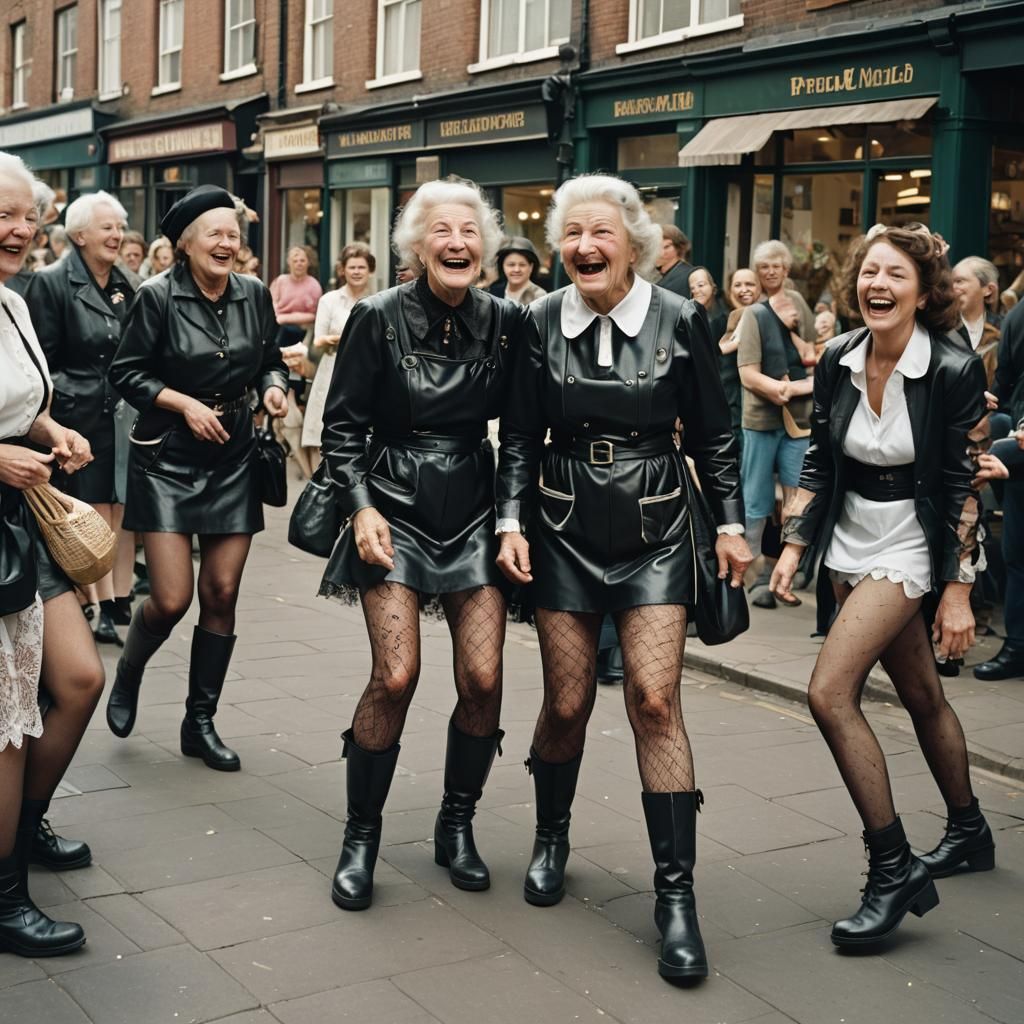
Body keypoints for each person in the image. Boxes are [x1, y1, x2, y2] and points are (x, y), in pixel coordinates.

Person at [496, 174, 750, 981]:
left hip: (657, 525)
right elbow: (521, 438)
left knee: (652, 699)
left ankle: (675, 897)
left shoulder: (681, 318)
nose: (584, 246)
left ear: (634, 243)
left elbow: (715, 432)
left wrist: (735, 525)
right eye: (572, 233)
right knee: (566, 701)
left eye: (600, 232)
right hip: (563, 524)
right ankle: (550, 836)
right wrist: (509, 521)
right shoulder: (540, 319)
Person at [771, 223, 994, 949]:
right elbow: (819, 460)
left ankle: (892, 867)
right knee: (923, 695)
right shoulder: (838, 356)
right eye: (870, 272)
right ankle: (969, 832)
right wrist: (796, 542)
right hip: (847, 538)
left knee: (829, 693)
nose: (879, 285)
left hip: (909, 541)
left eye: (896, 275)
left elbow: (964, 483)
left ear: (924, 292)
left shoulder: (955, 370)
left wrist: (957, 587)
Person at [320, 178, 527, 912]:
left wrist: (511, 519)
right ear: (416, 245)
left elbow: (524, 437)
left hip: (473, 506)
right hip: (395, 506)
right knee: (397, 675)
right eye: (442, 230)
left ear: (487, 247)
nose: (457, 242)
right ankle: (360, 834)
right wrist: (360, 507)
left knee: (482, 677)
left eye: (470, 231)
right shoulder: (375, 319)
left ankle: (456, 823)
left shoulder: (508, 321)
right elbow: (341, 429)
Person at [105, 185, 288, 771]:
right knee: (169, 598)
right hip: (168, 457)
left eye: (234, 233)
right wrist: (184, 404)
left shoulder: (255, 293)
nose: (228, 243)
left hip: (232, 455)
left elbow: (271, 358)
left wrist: (275, 388)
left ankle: (199, 721)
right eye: (215, 233)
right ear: (185, 245)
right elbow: (126, 373)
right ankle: (129, 671)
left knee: (222, 592)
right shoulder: (156, 297)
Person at [0, 150, 97, 957]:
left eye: (26, 213)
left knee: (76, 679)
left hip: (19, 520)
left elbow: (21, 404)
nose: (19, 228)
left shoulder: (14, 303)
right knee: (5, 721)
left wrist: (51, 431)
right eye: (1, 213)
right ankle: (3, 897)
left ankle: (21, 831)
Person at [24, 191, 137, 646]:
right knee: (85, 507)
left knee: (117, 505)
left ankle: (114, 599)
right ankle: (93, 604)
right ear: (78, 234)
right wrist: (65, 402)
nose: (117, 235)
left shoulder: (128, 281)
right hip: (76, 417)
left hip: (122, 415)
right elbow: (39, 364)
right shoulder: (52, 283)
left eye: (119, 227)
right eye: (107, 227)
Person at [734, 259, 816, 609]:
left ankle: (788, 567)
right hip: (761, 419)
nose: (770, 271)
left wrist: (795, 389)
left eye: (777, 265)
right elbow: (747, 374)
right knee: (756, 499)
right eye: (763, 266)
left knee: (799, 495)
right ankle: (750, 574)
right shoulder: (752, 313)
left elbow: (814, 355)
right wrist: (778, 390)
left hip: (798, 419)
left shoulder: (799, 304)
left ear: (787, 269)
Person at [974, 296, 1024, 680]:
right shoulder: (1021, 313)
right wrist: (992, 399)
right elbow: (1006, 377)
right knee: (1016, 553)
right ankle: (1017, 647)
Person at [301, 243, 375, 456]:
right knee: (323, 438)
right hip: (332, 369)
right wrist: (345, 338)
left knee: (363, 434)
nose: (357, 272)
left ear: (370, 270)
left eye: (362, 267)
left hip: (366, 370)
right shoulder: (329, 300)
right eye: (352, 267)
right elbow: (318, 340)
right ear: (342, 270)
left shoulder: (379, 301)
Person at [716, 269, 764, 454]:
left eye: (750, 284)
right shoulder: (722, 321)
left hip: (760, 406)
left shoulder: (767, 316)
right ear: (729, 290)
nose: (744, 289)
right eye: (738, 285)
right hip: (730, 404)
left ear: (759, 288)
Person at [752, 240, 817, 343]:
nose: (771, 272)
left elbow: (812, 337)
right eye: (765, 267)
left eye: (776, 266)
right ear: (757, 272)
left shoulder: (796, 298)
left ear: (785, 271)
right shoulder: (752, 301)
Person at [952, 257, 1001, 387]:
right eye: (951, 282)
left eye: (959, 281)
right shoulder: (943, 329)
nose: (953, 288)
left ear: (988, 289)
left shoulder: (1002, 329)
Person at [270, 245, 322, 349]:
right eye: (295, 261)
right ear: (289, 263)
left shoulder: (314, 285)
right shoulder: (280, 281)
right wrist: (279, 319)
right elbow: (271, 307)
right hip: (278, 330)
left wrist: (284, 318)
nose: (299, 264)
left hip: (304, 332)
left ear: (308, 263)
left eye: (302, 260)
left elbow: (315, 315)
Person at [492, 236, 547, 306]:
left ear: (531, 267)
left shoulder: (539, 296)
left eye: (522, 265)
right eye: (511, 265)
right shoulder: (494, 292)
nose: (516, 269)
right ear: (502, 266)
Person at [654, 224, 693, 296]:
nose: (660, 253)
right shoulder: (660, 274)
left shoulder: (688, 276)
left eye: (666, 246)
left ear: (679, 247)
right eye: (656, 246)